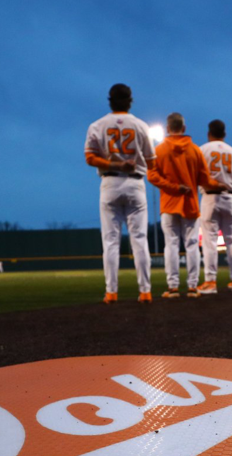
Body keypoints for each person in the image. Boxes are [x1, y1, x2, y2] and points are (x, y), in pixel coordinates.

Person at [84, 83, 157, 304]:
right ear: (130, 101)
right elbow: (152, 163)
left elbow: (89, 158)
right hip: (135, 183)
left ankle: (111, 292)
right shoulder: (140, 125)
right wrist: (132, 163)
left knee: (110, 241)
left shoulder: (98, 125)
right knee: (140, 240)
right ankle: (145, 291)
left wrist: (112, 163)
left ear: (110, 101)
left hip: (110, 183)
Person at [148, 112, 222, 299]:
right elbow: (205, 179)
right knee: (191, 246)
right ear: (184, 128)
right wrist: (220, 185)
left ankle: (173, 287)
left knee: (171, 245)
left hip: (168, 203)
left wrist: (173, 187)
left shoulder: (160, 150)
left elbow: (152, 176)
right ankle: (192, 286)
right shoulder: (195, 150)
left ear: (167, 128)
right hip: (190, 203)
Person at [198, 119, 232, 295]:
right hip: (231, 198)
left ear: (209, 133)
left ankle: (210, 281)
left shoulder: (202, 149)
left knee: (210, 241)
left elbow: (197, 176)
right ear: (225, 134)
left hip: (210, 198)